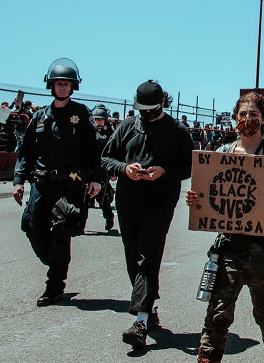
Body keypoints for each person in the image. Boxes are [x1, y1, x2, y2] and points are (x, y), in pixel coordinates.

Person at [188, 91, 264, 363]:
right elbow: (207, 195)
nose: (248, 119)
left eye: (254, 115)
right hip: (230, 246)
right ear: (234, 118)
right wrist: (195, 200)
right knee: (217, 312)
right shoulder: (223, 154)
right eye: (243, 114)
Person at [102, 80, 193, 349]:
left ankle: (139, 321)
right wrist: (125, 169)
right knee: (132, 254)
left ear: (163, 103)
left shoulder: (177, 130)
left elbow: (190, 165)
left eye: (152, 109)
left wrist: (164, 171)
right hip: (129, 199)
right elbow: (106, 159)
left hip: (161, 200)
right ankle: (149, 310)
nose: (148, 115)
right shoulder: (127, 127)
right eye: (143, 110)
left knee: (148, 255)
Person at [11, 58, 102, 306]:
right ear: (51, 86)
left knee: (62, 231)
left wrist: (97, 179)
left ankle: (54, 286)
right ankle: (55, 264)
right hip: (41, 184)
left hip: (70, 185)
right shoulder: (40, 116)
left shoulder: (82, 114)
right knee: (33, 228)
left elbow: (96, 150)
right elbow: (26, 151)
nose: (62, 88)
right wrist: (18, 180)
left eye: (67, 84)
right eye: (58, 83)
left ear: (73, 87)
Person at [89, 104, 117, 231]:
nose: (99, 122)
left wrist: (112, 171)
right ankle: (80, 225)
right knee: (83, 197)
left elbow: (113, 152)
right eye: (96, 119)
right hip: (88, 167)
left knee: (101, 196)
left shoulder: (110, 133)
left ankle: (108, 216)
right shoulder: (89, 131)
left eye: (101, 119)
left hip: (102, 168)